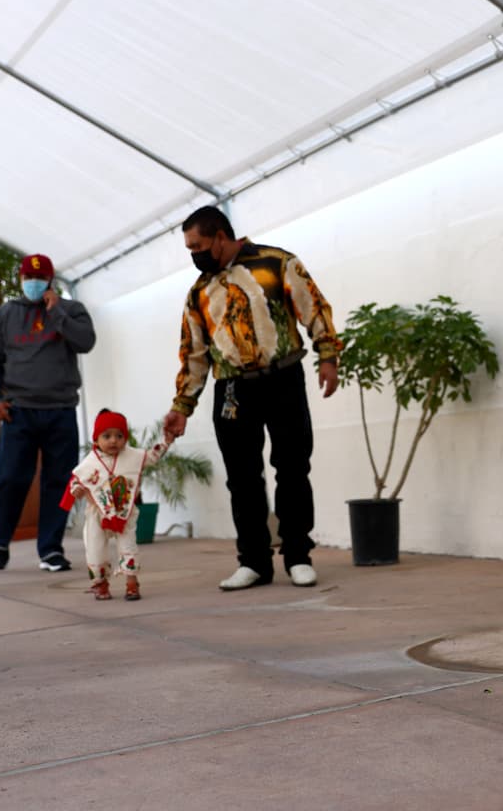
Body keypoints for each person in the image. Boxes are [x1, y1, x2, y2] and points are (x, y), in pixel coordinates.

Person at [162, 206, 341, 591]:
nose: (193, 253)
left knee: (292, 468)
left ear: (220, 237)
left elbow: (313, 308)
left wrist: (328, 356)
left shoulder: (276, 263)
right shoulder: (199, 293)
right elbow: (193, 352)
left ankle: (297, 556)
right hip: (231, 389)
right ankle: (254, 562)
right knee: (242, 479)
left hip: (283, 378)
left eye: (197, 245)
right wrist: (182, 407)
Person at [0, 253, 95, 572]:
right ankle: (1, 537)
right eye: (28, 278)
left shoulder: (71, 310)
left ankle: (50, 549)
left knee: (60, 481)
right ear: (20, 280)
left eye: (40, 278)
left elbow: (86, 342)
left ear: (51, 280)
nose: (33, 284)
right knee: (10, 479)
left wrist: (56, 312)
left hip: (60, 410)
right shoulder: (6, 314)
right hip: (19, 412)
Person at [61, 409, 167, 600]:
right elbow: (77, 480)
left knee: (129, 546)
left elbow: (152, 456)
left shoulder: (132, 456)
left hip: (124, 513)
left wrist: (167, 440)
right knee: (95, 550)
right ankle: (100, 584)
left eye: (119, 436)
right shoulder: (90, 462)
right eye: (107, 436)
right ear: (96, 439)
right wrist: (76, 490)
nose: (113, 441)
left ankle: (132, 583)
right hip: (97, 514)